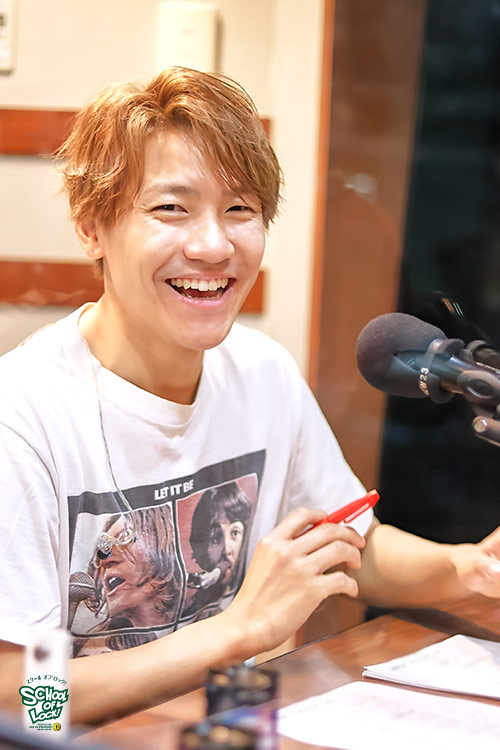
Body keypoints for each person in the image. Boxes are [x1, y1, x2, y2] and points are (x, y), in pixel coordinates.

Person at [1, 66, 500, 727]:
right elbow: (21, 697)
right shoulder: (23, 417)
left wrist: (470, 568)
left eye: (239, 209)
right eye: (170, 208)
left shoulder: (261, 372)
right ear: (92, 227)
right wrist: (237, 632)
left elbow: (350, 544)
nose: (214, 246)